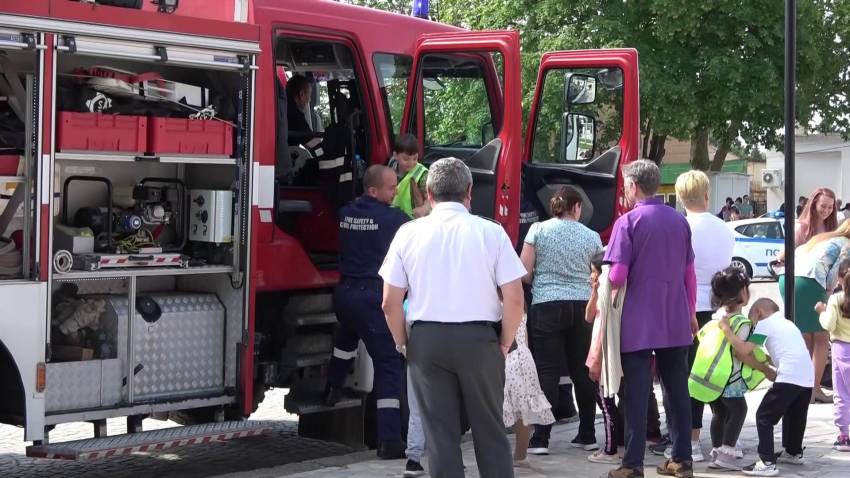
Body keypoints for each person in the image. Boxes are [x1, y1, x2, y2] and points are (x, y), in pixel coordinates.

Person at [381, 157, 525, 478]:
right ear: (469, 192)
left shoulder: (408, 233)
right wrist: (504, 343)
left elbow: (390, 302)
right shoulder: (491, 232)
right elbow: (515, 299)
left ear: (428, 194)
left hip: (427, 342)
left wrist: (404, 343)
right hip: (481, 340)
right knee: (490, 431)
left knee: (440, 437)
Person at [604, 159, 697, 478]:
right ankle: (681, 460)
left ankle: (632, 463)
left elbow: (617, 276)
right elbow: (689, 273)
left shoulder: (627, 223)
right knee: (677, 390)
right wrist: (691, 312)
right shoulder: (679, 221)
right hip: (675, 315)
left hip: (638, 320)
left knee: (637, 394)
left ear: (632, 185)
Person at [324, 165, 409, 459]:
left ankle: (333, 386)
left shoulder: (346, 212)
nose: (396, 191)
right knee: (388, 365)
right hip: (371, 297)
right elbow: (414, 230)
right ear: (374, 190)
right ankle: (390, 441)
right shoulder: (393, 218)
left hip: (345, 294)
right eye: (391, 188)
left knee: (346, 340)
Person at [519, 186, 603, 455]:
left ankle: (541, 438)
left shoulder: (538, 231)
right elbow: (600, 271)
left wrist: (540, 281)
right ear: (576, 206)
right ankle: (587, 433)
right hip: (583, 307)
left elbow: (524, 271)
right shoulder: (591, 236)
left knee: (547, 371)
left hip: (546, 305)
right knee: (583, 371)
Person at [672, 170, 736, 462]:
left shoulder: (681, 226)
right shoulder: (724, 227)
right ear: (707, 195)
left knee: (687, 375)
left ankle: (691, 441)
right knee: (714, 372)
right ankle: (723, 437)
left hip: (686, 306)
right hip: (718, 307)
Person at [719, 298, 813, 476]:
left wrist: (726, 328)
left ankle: (767, 462)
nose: (753, 326)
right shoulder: (787, 323)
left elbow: (744, 350)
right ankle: (794, 452)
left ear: (759, 312)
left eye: (752, 320)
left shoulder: (765, 324)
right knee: (795, 415)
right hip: (806, 377)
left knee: (764, 416)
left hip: (789, 376)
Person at [694, 268, 771, 470]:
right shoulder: (740, 323)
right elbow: (742, 351)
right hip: (730, 379)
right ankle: (726, 453)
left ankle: (718, 453)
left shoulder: (716, 317)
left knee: (719, 414)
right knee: (739, 410)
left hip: (713, 377)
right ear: (743, 294)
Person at [781, 220, 850, 403]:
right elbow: (837, 273)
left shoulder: (825, 238)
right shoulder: (847, 244)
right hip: (810, 282)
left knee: (805, 336)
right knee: (821, 337)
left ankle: (802, 388)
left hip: (787, 279)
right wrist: (830, 294)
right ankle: (814, 390)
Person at [503, 310, 556, 468]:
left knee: (501, 407)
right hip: (523, 355)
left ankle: (510, 455)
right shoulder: (518, 298)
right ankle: (521, 455)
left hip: (505, 355)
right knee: (522, 409)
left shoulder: (492, 301)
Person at [585, 254, 622, 464]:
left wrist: (596, 360)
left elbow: (601, 333)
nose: (591, 275)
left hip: (602, 354)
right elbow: (588, 317)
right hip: (597, 353)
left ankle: (610, 449)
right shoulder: (600, 293)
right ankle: (613, 444)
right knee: (606, 401)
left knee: (606, 403)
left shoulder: (611, 295)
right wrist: (593, 291)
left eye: (593, 271)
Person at [816, 263, 850, 452]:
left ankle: (844, 436)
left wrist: (821, 311)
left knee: (843, 395)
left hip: (841, 350)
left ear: (839, 280)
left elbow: (828, 324)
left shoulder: (836, 299)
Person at [389, 134, 430, 218]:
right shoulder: (391, 166)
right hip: (394, 218)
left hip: (413, 221)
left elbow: (431, 198)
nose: (411, 163)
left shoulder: (422, 174)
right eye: (406, 159)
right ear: (395, 156)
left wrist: (424, 209)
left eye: (415, 158)